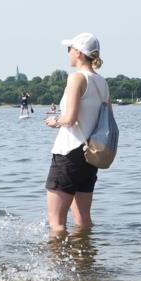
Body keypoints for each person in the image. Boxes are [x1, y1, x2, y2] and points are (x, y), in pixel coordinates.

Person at [44, 32, 109, 235]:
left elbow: (70, 118)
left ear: (79, 53)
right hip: (90, 155)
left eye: (70, 49)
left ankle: (56, 267)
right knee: (83, 220)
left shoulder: (76, 78)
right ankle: (85, 263)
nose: (68, 53)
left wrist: (54, 121)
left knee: (57, 224)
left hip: (69, 153)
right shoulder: (102, 82)